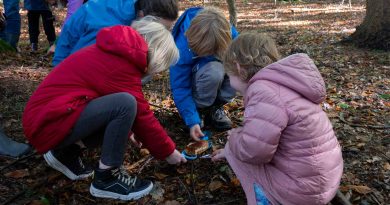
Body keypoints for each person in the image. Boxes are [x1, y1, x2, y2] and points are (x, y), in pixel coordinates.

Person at [22, 17, 186, 200]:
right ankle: (107, 178)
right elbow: (142, 115)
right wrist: (169, 152)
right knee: (126, 103)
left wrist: (128, 129)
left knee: (124, 106)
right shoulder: (122, 64)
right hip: (47, 122)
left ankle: (65, 152)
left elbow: (106, 105)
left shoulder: (115, 50)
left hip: (47, 117)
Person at [211, 33, 343, 205]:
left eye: (229, 76)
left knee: (237, 152)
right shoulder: (284, 84)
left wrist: (233, 142)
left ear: (239, 68)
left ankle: (265, 199)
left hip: (302, 192)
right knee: (235, 148)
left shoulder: (263, 91)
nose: (229, 82)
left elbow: (253, 152)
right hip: (325, 182)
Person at [170, 7, 238, 141]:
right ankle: (199, 110)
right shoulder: (182, 48)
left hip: (214, 76)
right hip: (198, 82)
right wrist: (191, 120)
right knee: (214, 71)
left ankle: (215, 108)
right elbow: (180, 86)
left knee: (237, 69)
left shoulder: (227, 34)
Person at [52, 0, 178, 66]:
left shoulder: (135, 8)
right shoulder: (106, 30)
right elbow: (81, 64)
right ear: (142, 16)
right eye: (162, 29)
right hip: (76, 75)